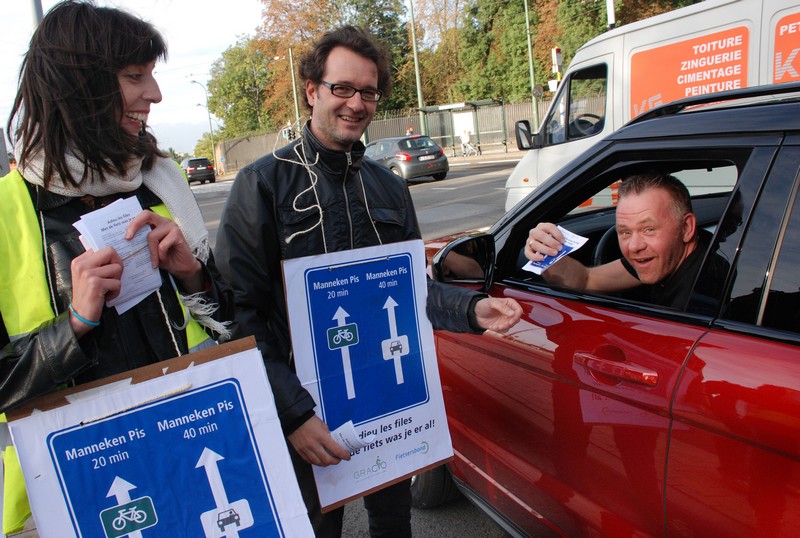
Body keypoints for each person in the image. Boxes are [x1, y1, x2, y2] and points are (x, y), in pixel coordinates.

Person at [215, 25, 522, 538]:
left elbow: (409, 292)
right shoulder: (262, 183)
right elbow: (238, 314)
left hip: (385, 402)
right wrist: (291, 414)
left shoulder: (389, 187)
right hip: (305, 411)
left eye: (369, 91)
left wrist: (471, 311)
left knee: (393, 525)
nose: (357, 103)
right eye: (342, 88)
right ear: (312, 91)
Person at [0, 2, 234, 532]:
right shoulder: (5, 214)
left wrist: (193, 276)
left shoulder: (158, 182)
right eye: (135, 77)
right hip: (69, 497)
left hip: (191, 460)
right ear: (77, 87)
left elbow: (230, 323)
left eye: (153, 76)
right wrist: (75, 326)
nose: (154, 95)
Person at [525, 173, 725, 309]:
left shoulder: (705, 294)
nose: (634, 246)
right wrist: (547, 254)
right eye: (625, 232)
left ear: (687, 228)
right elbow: (586, 279)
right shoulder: (666, 257)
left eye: (649, 229)